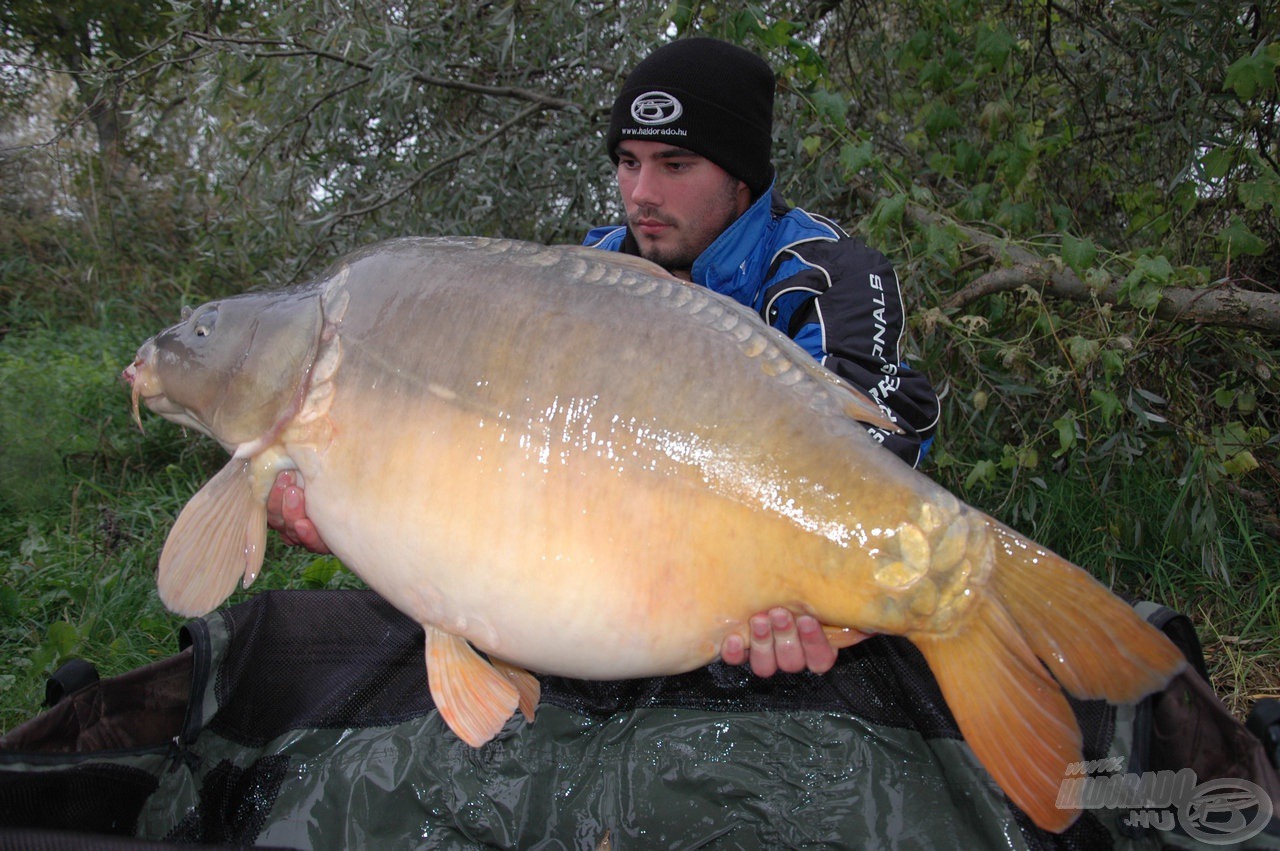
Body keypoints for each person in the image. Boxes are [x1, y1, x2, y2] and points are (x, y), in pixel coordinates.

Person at [267, 36, 940, 679]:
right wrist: (362, 508)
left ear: (743, 178)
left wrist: (809, 583)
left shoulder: (825, 271)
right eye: (628, 162)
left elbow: (877, 455)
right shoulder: (588, 278)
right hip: (618, 592)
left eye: (675, 165)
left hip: (760, 586)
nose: (643, 192)